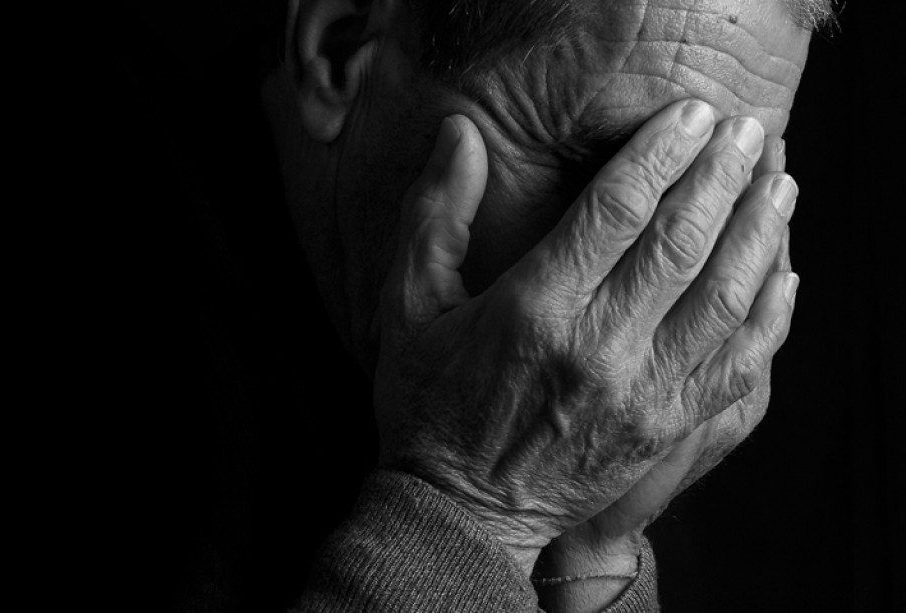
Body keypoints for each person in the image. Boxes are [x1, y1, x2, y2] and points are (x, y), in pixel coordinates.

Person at [257, 0, 837, 610]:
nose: (674, 257)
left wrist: (591, 553)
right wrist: (472, 507)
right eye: (608, 169)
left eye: (727, 185)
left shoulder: (600, 432)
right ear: (339, 54)